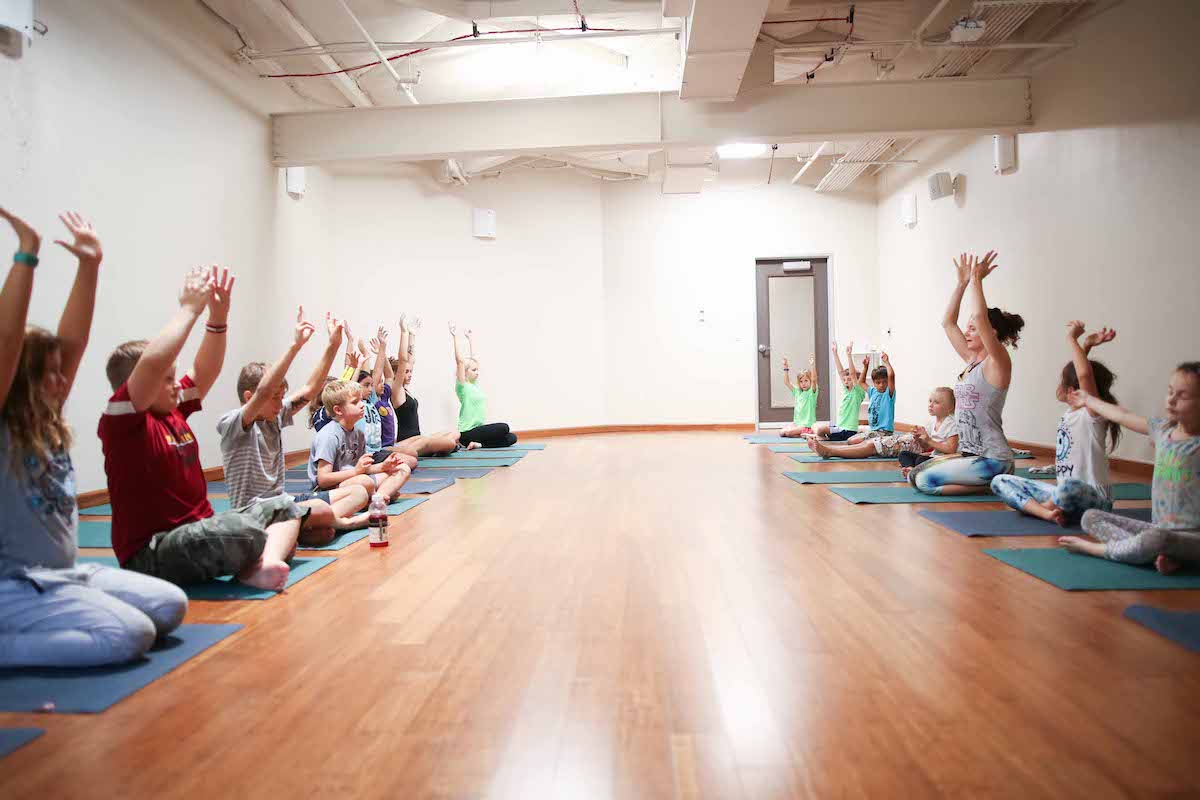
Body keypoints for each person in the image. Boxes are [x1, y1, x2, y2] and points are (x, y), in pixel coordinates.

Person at [0, 208, 187, 667]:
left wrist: (90, 267)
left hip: (63, 575)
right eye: (50, 375)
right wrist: (26, 256)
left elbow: (74, 342)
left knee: (169, 606)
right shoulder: (5, 426)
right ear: (22, 381)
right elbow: (5, 341)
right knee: (130, 635)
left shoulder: (46, 419)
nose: (63, 381)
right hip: (14, 584)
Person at [100, 267, 302, 592]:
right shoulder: (123, 423)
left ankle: (261, 564)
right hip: (154, 551)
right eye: (166, 379)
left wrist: (217, 319)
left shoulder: (173, 410)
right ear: (136, 385)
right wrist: (189, 310)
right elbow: (152, 364)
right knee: (245, 530)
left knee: (283, 507)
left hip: (201, 530)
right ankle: (255, 556)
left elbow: (203, 370)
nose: (174, 385)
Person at [218, 308, 369, 545]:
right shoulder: (235, 424)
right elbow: (264, 390)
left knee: (359, 492)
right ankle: (338, 522)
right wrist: (294, 346)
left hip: (284, 503)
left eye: (282, 396)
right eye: (274, 397)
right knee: (320, 511)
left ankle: (310, 525)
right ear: (250, 397)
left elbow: (310, 390)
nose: (281, 403)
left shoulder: (274, 417)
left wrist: (333, 345)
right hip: (252, 513)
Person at [1058, 363, 1200, 574]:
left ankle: (1100, 550)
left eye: (1183, 396)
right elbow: (1122, 415)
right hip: (1159, 530)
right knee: (1090, 517)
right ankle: (1156, 555)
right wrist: (1088, 399)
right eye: (1170, 392)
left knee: (1156, 539)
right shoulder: (1162, 430)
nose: (1171, 399)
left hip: (1193, 539)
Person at [908, 252, 1024, 495]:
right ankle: (989, 483)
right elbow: (948, 322)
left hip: (993, 457)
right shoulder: (971, 360)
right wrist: (961, 284)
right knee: (913, 473)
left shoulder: (997, 361)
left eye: (974, 329)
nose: (968, 332)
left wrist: (976, 280)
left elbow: (981, 318)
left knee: (924, 482)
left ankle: (991, 485)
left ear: (990, 333)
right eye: (968, 329)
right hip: (969, 453)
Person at [990, 321, 1121, 526]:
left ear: (1072, 389)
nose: (1058, 385)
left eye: (1062, 380)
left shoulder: (1092, 414)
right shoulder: (1072, 413)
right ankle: (1047, 513)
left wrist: (1072, 339)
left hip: (1095, 502)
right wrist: (1086, 345)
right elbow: (1081, 374)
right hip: (1062, 496)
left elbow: (1084, 375)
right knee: (1000, 480)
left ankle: (1043, 508)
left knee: (1068, 487)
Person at [307, 379, 413, 500]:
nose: (362, 405)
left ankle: (378, 498)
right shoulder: (329, 436)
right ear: (338, 410)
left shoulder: (359, 433)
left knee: (403, 469)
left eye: (361, 400)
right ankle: (380, 494)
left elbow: (364, 469)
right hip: (329, 489)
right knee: (365, 482)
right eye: (355, 402)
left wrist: (383, 466)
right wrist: (356, 472)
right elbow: (323, 480)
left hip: (356, 479)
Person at [388, 314, 463, 457]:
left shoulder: (406, 390)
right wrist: (404, 333)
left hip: (419, 438)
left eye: (410, 372)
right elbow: (404, 361)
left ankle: (435, 448)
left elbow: (410, 360)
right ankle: (436, 448)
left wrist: (412, 335)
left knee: (454, 433)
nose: (409, 374)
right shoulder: (396, 391)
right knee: (449, 443)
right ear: (397, 374)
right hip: (407, 442)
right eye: (406, 372)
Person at [809, 352, 897, 456]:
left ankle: (831, 450)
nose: (881, 385)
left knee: (858, 442)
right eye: (878, 382)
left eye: (884, 382)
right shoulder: (873, 392)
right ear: (874, 383)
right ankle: (862, 447)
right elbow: (861, 382)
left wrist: (886, 362)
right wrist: (865, 367)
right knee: (851, 441)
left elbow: (891, 376)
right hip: (873, 431)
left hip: (884, 432)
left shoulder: (889, 394)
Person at [450, 323, 517, 448]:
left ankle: (479, 445)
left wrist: (470, 339)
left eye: (477, 370)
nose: (477, 373)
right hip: (467, 433)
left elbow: (474, 359)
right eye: (473, 370)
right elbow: (459, 362)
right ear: (465, 371)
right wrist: (455, 337)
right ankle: (473, 442)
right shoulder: (462, 387)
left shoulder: (474, 385)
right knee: (504, 427)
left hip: (478, 431)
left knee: (512, 437)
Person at [807, 341, 866, 442]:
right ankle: (822, 437)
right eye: (844, 380)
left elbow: (852, 374)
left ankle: (821, 437)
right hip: (839, 427)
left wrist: (849, 356)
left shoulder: (858, 392)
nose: (846, 382)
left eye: (849, 379)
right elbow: (841, 372)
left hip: (847, 431)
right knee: (814, 425)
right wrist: (835, 353)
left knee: (821, 429)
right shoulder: (846, 390)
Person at [780, 354, 818, 438]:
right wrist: (785, 367)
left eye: (806, 381)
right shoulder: (797, 391)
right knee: (782, 432)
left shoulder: (812, 392)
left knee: (789, 433)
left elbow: (814, 379)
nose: (803, 383)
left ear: (810, 381)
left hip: (806, 425)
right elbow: (786, 382)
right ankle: (803, 434)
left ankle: (808, 432)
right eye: (801, 381)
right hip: (797, 423)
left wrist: (812, 365)